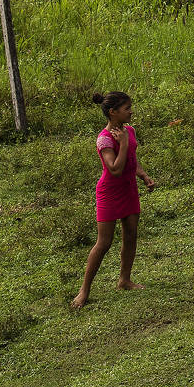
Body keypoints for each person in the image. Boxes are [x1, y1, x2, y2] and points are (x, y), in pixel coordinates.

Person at [72, 90, 153, 310]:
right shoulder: (104, 139)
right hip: (109, 192)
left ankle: (124, 280)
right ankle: (84, 291)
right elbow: (115, 168)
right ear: (112, 112)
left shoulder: (130, 131)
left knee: (131, 234)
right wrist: (124, 144)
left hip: (129, 189)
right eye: (127, 108)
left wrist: (143, 175)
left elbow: (132, 161)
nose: (131, 111)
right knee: (104, 243)